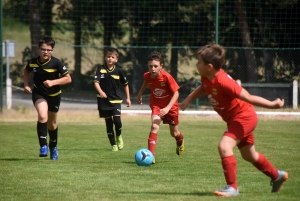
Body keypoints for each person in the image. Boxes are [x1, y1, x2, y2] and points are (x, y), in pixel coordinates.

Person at [180, 44, 288, 196]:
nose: (197, 64)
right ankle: (277, 176)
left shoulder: (225, 82)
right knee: (249, 155)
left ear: (209, 66)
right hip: (236, 120)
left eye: (199, 62)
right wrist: (189, 99)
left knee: (224, 146)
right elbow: (204, 88)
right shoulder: (207, 77)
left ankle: (232, 187)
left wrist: (272, 105)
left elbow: (249, 97)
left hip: (244, 117)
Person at [23, 35, 72, 160]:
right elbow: (26, 71)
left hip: (54, 96)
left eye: (49, 50)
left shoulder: (56, 62)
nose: (46, 52)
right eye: (43, 49)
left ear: (52, 51)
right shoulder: (33, 62)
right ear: (38, 49)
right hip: (39, 94)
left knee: (52, 124)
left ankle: (53, 147)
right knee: (42, 116)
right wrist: (26, 85)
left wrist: (53, 82)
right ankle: (43, 146)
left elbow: (68, 79)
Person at [136, 51, 184, 164]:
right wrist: (140, 93)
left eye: (155, 66)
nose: (152, 69)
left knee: (174, 133)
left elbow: (176, 93)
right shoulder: (147, 75)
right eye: (150, 66)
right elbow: (146, 82)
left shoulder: (167, 77)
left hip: (171, 107)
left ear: (161, 66)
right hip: (156, 105)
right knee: (154, 126)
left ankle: (180, 141)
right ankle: (151, 155)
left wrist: (167, 108)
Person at [94, 47, 131, 151]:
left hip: (116, 100)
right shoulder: (100, 68)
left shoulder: (119, 70)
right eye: (108, 56)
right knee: (109, 123)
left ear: (116, 59)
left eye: (112, 57)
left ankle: (119, 136)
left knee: (117, 121)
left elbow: (125, 85)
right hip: (103, 101)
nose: (110, 58)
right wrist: (101, 92)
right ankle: (113, 144)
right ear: (105, 57)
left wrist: (128, 98)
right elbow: (96, 83)